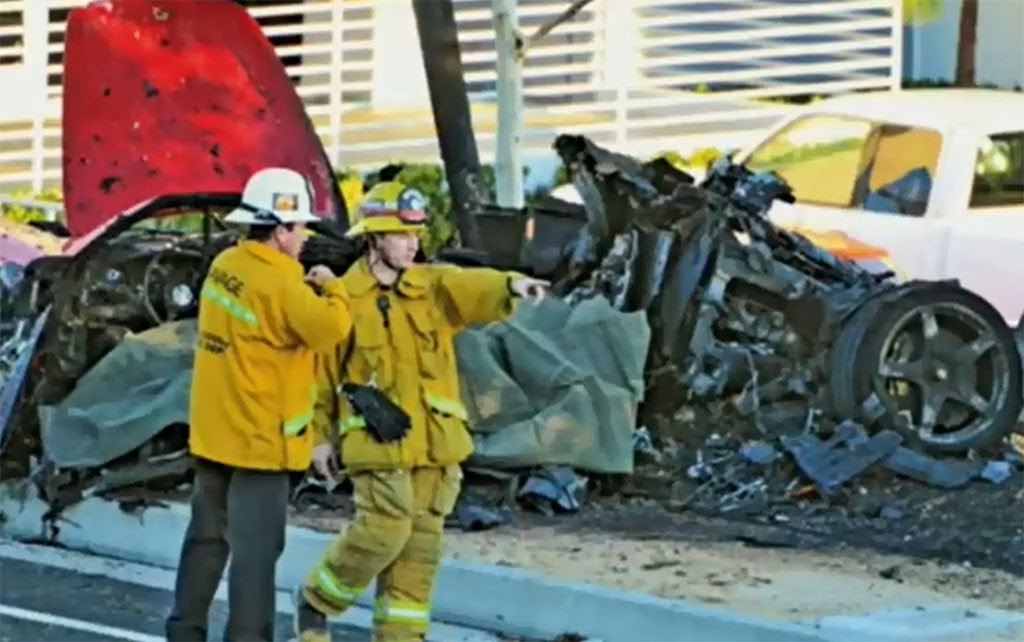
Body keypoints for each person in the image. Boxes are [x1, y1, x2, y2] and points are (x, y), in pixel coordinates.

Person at [293, 181, 549, 642]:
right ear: (374, 238)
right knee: (384, 531)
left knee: (418, 555)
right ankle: (317, 602)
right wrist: (318, 439)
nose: (412, 245)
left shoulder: (432, 287)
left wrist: (513, 283)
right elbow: (320, 377)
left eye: (416, 235)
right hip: (378, 445)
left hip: (436, 448)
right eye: (400, 235)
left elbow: (472, 285)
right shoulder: (343, 298)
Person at [165, 167, 354, 642]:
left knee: (206, 542)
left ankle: (184, 631)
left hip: (216, 434)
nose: (306, 236)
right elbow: (331, 328)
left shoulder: (226, 265)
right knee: (255, 559)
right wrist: (333, 286)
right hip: (261, 444)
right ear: (282, 227)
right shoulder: (283, 284)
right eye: (301, 226)